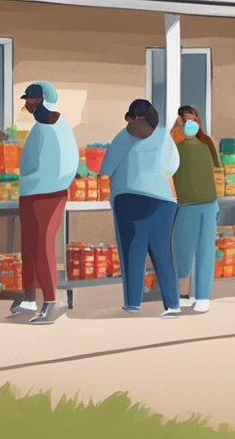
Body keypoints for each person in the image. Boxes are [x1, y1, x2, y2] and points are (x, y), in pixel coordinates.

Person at [102, 99, 181, 316]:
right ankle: (173, 304)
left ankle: (132, 303)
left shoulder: (122, 137)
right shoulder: (164, 136)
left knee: (132, 252)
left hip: (129, 198)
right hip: (163, 201)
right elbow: (172, 165)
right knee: (162, 253)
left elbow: (106, 168)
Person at [13, 81, 78, 325]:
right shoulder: (40, 127)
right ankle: (29, 298)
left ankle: (50, 301)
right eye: (27, 100)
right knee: (28, 245)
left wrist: (39, 181)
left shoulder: (57, 126)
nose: (28, 105)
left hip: (48, 194)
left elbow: (67, 165)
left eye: (31, 100)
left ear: (43, 100)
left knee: (42, 245)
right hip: (30, 191)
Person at [171, 106, 220, 313]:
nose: (190, 124)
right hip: (189, 204)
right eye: (186, 121)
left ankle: (200, 296)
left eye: (193, 120)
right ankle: (186, 294)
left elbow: (216, 170)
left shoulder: (205, 143)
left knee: (200, 251)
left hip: (202, 203)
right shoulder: (176, 146)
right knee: (185, 252)